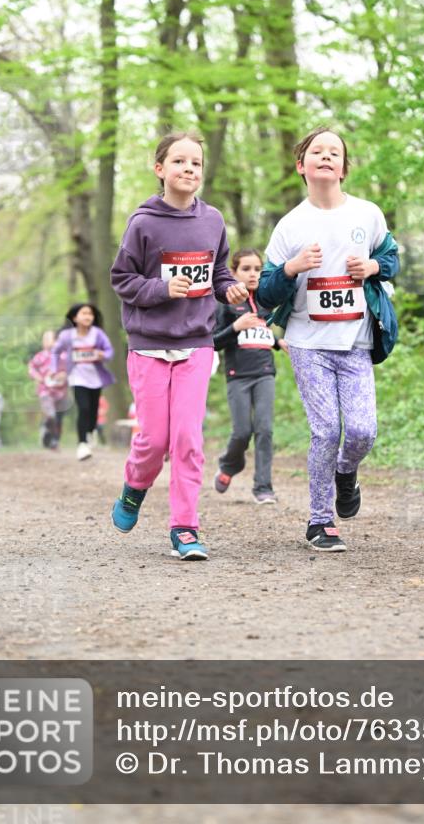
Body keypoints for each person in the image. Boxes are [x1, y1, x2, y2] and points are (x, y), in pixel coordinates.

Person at [257, 127, 399, 552]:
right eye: (316, 151)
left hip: (355, 339)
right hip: (307, 341)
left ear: (343, 167)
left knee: (361, 431)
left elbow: (391, 259)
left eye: (334, 152)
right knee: (325, 429)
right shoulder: (290, 225)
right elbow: (264, 292)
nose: (325, 156)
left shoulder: (367, 214)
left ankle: (346, 471)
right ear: (301, 166)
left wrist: (372, 267)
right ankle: (320, 521)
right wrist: (291, 268)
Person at [110, 131, 248, 560]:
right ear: (160, 169)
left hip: (196, 343)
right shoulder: (143, 223)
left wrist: (229, 290)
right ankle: (135, 486)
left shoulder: (213, 221)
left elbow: (219, 270)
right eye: (180, 162)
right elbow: (122, 280)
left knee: (187, 438)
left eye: (196, 163)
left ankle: (185, 528)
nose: (189, 169)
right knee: (153, 440)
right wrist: (162, 289)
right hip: (149, 344)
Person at [213, 248, 288, 505]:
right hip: (238, 376)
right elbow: (212, 342)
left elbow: (262, 334)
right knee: (242, 432)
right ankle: (228, 465)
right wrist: (235, 326)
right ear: (233, 273)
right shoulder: (225, 304)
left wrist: (279, 343)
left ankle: (263, 487)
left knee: (265, 430)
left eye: (257, 269)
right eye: (246, 269)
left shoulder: (266, 302)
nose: (253, 274)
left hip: (265, 373)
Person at [50, 305, 115, 460]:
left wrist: (102, 355)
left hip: (96, 377)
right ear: (74, 318)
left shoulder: (97, 334)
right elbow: (55, 351)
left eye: (90, 314)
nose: (88, 316)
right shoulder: (67, 336)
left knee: (93, 410)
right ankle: (82, 445)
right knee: (83, 408)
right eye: (84, 313)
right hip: (77, 376)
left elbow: (109, 351)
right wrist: (54, 369)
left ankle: (91, 431)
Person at [28, 330, 70, 450]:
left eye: (48, 339)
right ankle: (47, 432)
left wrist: (64, 374)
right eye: (44, 339)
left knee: (59, 418)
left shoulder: (64, 355)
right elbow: (31, 368)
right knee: (51, 415)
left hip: (61, 392)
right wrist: (38, 377)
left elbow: (71, 369)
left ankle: (54, 440)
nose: (45, 342)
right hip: (45, 391)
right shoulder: (40, 356)